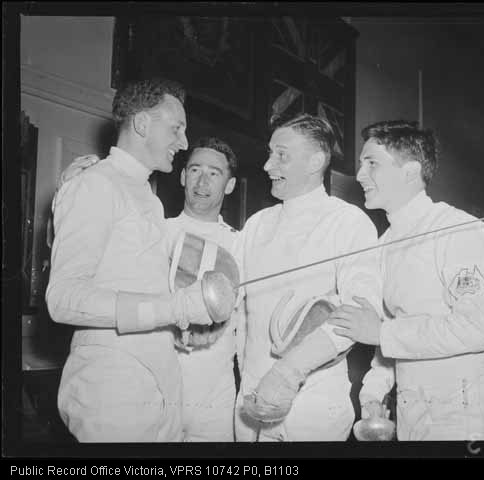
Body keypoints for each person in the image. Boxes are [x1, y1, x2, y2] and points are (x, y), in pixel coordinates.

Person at [46, 78, 216, 442]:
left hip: (159, 382)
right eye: (177, 129)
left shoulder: (148, 197)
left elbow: (135, 284)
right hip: (112, 389)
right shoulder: (95, 184)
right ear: (141, 124)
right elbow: (62, 300)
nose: (184, 143)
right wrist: (175, 309)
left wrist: (178, 326)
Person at [329, 120, 484, 441]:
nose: (360, 175)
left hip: (467, 412)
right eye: (361, 164)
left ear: (410, 172)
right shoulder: (385, 243)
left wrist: (381, 332)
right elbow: (388, 336)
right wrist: (372, 394)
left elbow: (475, 330)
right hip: (413, 409)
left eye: (371, 163)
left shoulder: (457, 228)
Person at [235, 114, 382, 441]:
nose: (267, 165)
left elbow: (360, 311)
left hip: (312, 407)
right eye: (270, 153)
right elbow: (230, 302)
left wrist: (289, 372)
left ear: (316, 161)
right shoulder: (256, 225)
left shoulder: (348, 222)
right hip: (251, 405)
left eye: (281, 155)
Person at [165, 137, 243, 442]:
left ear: (230, 184)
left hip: (215, 391)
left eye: (214, 173)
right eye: (195, 169)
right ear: (183, 176)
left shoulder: (240, 243)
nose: (202, 181)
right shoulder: (157, 230)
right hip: (158, 380)